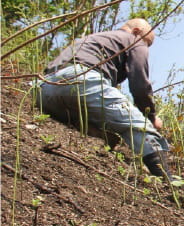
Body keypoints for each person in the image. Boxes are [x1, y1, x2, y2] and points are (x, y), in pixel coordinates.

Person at [37, 18, 171, 179]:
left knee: (98, 125)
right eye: (147, 43)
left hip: (43, 88)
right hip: (83, 81)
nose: (146, 47)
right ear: (136, 31)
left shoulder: (93, 38)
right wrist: (150, 118)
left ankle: (101, 139)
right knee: (140, 127)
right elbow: (140, 85)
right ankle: (168, 181)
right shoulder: (134, 41)